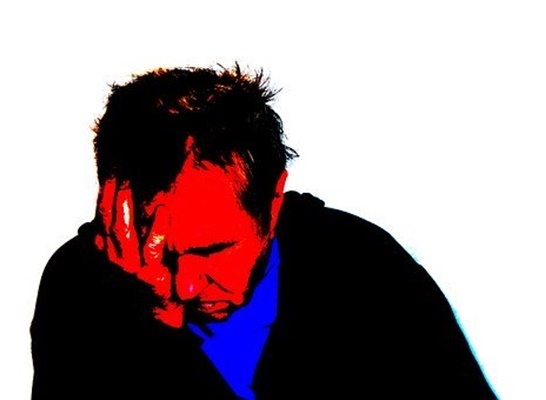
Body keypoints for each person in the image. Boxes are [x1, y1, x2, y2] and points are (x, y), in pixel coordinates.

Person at [30, 64, 497, 399]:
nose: (185, 286)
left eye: (213, 250)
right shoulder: (80, 286)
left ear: (273, 204)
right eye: (163, 254)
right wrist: (153, 329)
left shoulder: (363, 268)